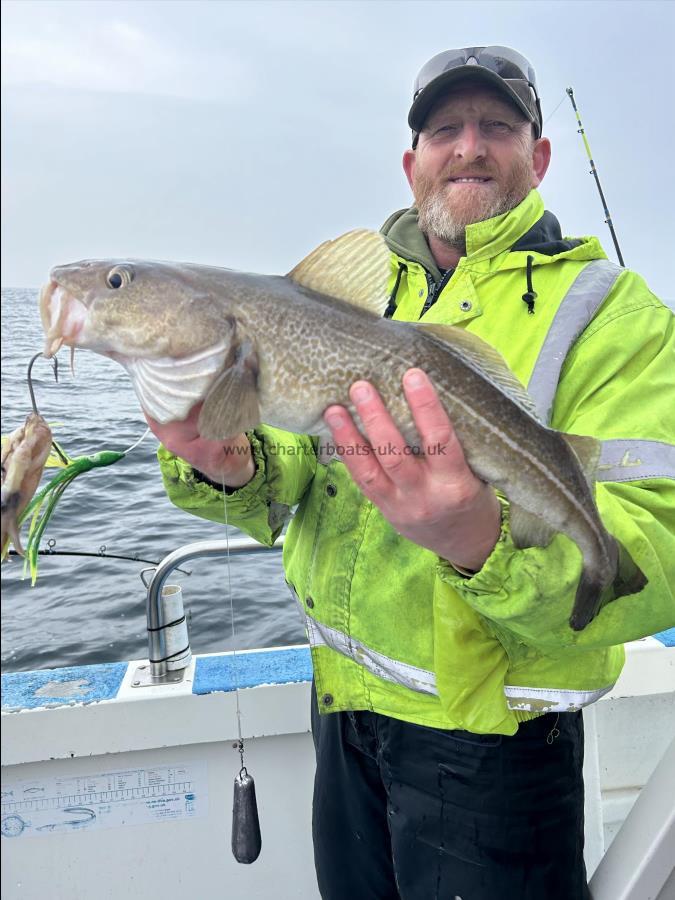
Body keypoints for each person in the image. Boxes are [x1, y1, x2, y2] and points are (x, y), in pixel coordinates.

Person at [147, 46, 674, 900]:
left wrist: (482, 544)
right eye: (443, 129)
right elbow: (299, 475)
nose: (468, 145)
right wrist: (228, 461)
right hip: (344, 716)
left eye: (496, 126)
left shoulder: (617, 315)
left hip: (497, 745)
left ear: (537, 157)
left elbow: (664, 535)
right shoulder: (351, 299)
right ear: (412, 161)